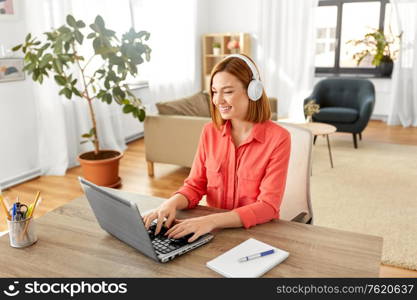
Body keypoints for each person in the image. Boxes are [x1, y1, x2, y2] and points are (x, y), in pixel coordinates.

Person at [143, 54, 291, 243]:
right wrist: (170, 203)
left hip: (257, 234)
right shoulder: (209, 132)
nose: (217, 100)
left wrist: (210, 221)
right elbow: (195, 185)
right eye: (214, 91)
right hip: (214, 233)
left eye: (227, 91)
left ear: (253, 91)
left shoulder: (279, 138)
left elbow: (268, 206)